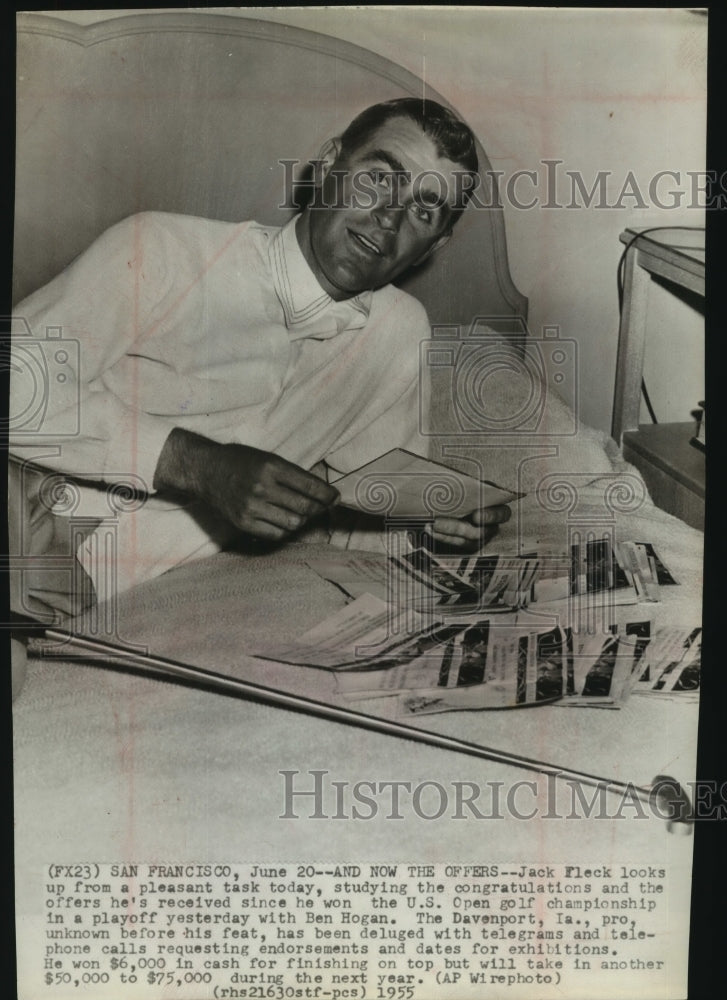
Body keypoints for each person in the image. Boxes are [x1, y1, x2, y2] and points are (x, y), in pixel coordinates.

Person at [9, 98, 511, 619]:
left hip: (89, 580)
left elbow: (369, 508)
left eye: (425, 210)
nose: (390, 216)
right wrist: (195, 464)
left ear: (436, 245)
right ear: (326, 165)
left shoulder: (399, 332)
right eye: (378, 179)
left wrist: (432, 528)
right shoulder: (159, 248)